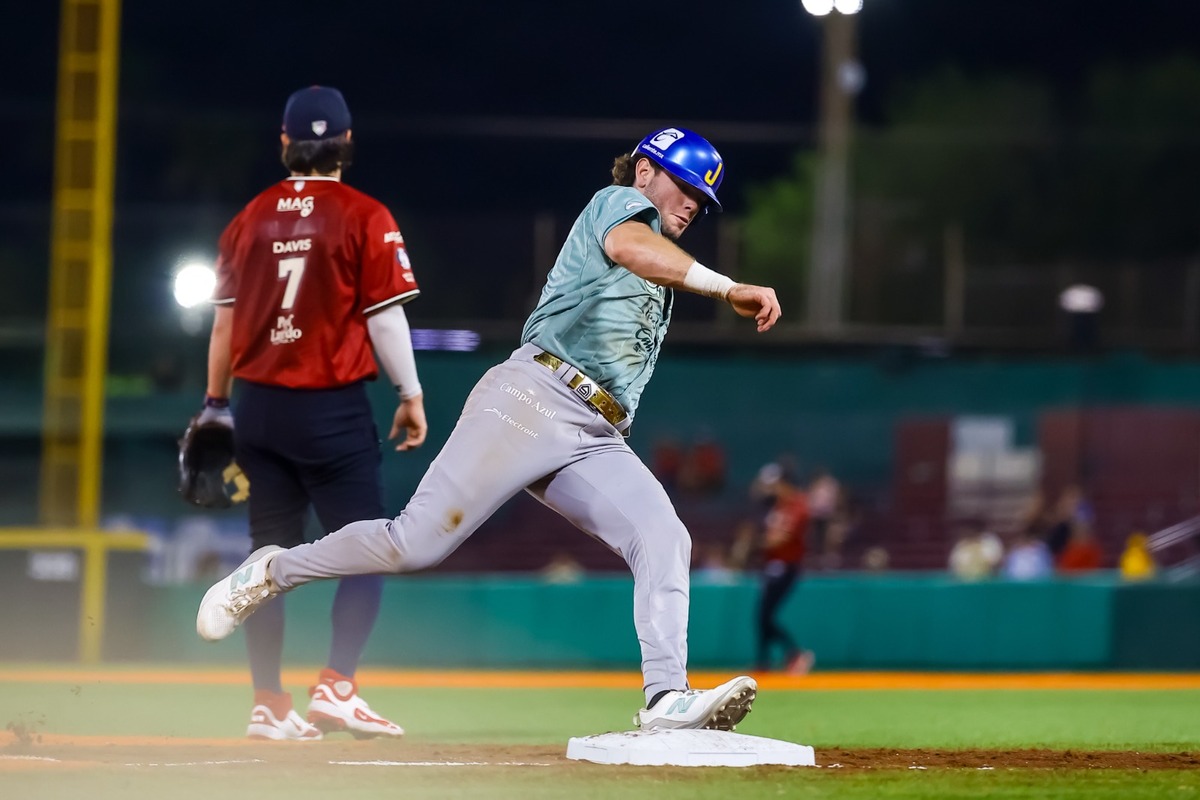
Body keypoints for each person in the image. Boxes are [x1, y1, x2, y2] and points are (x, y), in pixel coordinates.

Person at [198, 126, 781, 732]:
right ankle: (271, 571)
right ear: (643, 174)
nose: (691, 202)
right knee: (413, 544)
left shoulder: (668, 253)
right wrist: (728, 286)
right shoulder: (618, 206)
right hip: (534, 398)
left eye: (701, 198)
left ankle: (666, 698)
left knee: (665, 537)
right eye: (682, 184)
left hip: (597, 433)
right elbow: (633, 247)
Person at [197, 86, 428, 740]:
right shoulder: (364, 214)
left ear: (283, 144)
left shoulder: (249, 218)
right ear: (348, 144)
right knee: (371, 548)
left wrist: (215, 405)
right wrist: (409, 394)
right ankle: (338, 686)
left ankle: (268, 705)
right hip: (330, 409)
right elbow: (385, 317)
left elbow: (222, 327)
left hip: (259, 409)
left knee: (263, 558)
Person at [754, 471, 814, 675]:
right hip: (772, 565)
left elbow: (782, 538)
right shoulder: (778, 507)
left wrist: (761, 542)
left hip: (787, 565)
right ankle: (764, 661)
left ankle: (794, 652)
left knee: (766, 616)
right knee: (762, 615)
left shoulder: (798, 505)